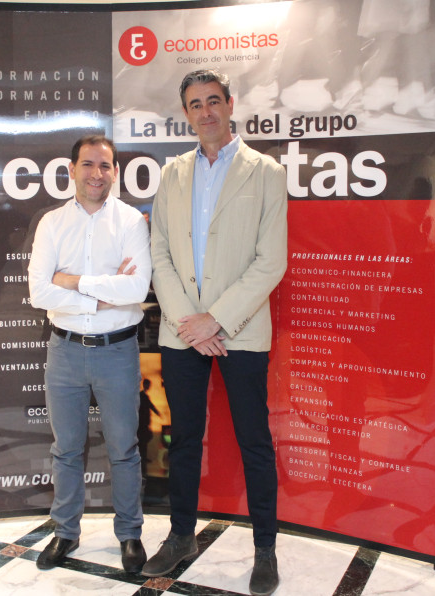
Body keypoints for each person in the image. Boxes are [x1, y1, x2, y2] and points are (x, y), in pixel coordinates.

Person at [142, 70, 288, 596]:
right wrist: (191, 321)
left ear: (229, 104)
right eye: (194, 104)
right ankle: (181, 536)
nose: (204, 112)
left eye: (212, 101)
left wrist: (217, 319)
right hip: (183, 331)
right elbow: (159, 251)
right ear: (186, 113)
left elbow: (271, 261)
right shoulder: (172, 173)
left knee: (254, 441)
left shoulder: (266, 172)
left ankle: (265, 549)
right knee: (183, 439)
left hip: (240, 331)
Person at [28, 135, 151, 573]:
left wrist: (72, 281)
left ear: (115, 172)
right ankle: (65, 532)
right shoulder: (52, 223)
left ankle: (130, 534)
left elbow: (136, 289)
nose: (96, 174)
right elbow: (38, 292)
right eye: (87, 164)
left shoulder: (131, 221)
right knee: (65, 450)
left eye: (105, 165)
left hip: (117, 352)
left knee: (124, 449)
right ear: (72, 170)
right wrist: (101, 295)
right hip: (64, 353)